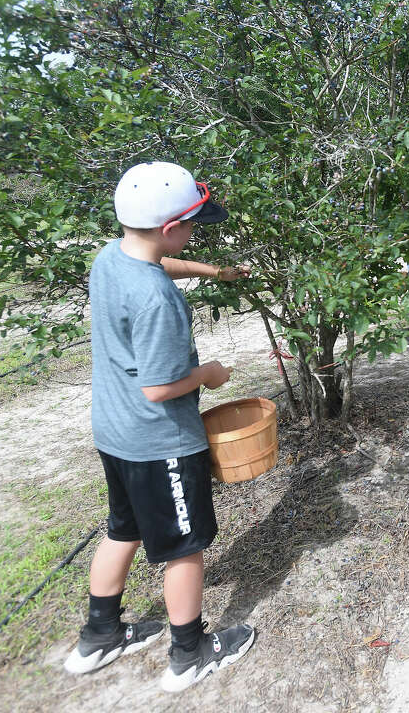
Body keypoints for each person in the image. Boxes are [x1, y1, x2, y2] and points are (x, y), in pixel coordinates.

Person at [63, 161, 256, 692]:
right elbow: (160, 386)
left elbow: (155, 265)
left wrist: (207, 271)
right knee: (183, 546)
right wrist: (210, 375)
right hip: (160, 441)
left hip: (115, 433)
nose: (197, 229)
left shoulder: (110, 257)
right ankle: (190, 652)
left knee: (122, 528)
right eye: (194, 222)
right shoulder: (157, 301)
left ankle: (100, 635)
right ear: (171, 228)